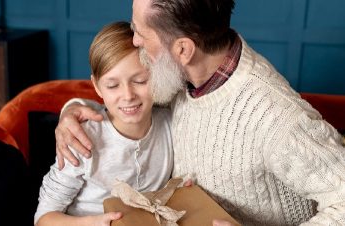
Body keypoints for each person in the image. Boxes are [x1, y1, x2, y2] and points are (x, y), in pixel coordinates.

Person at [55, 0, 345, 225]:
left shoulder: (276, 117)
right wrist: (74, 112)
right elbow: (128, 105)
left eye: (140, 33)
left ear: (183, 49)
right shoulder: (175, 76)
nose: (135, 42)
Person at [34, 21, 174, 226]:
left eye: (140, 81)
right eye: (112, 85)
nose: (127, 95)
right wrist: (94, 222)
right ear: (97, 87)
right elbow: (44, 218)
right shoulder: (83, 139)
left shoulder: (169, 124)